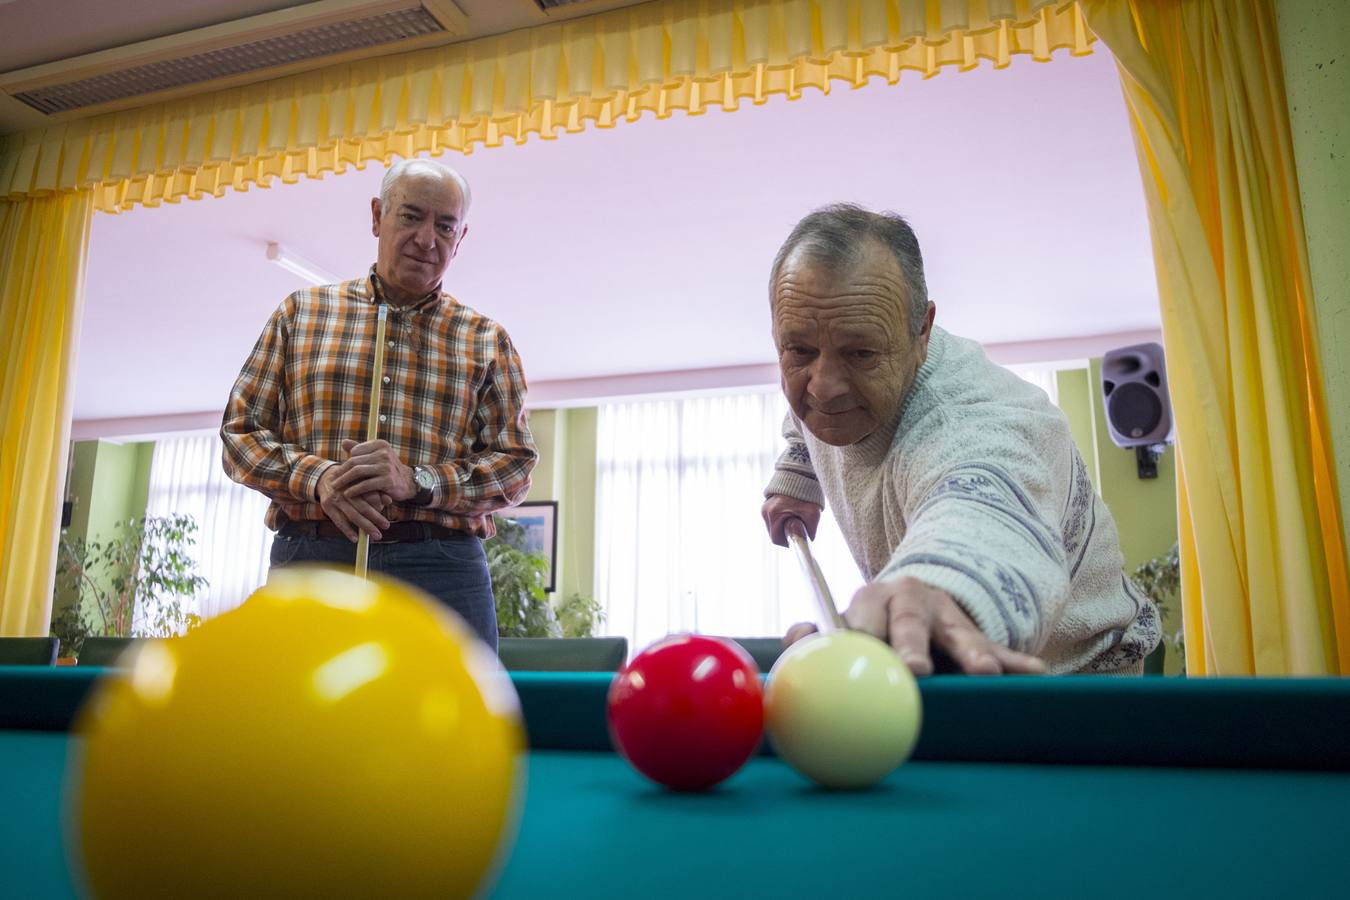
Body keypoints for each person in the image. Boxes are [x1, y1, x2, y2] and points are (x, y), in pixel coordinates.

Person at [761, 204, 1160, 675]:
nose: (823, 386)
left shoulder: (971, 420)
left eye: (860, 353)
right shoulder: (833, 365)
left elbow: (987, 505)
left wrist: (940, 584)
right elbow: (805, 417)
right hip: (962, 662)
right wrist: (798, 473)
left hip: (1083, 671)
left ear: (922, 332)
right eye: (799, 349)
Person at [221, 158, 537, 650]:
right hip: (312, 555)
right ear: (376, 216)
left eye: (445, 225)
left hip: (442, 569)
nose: (427, 239)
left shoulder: (486, 339)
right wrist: (320, 479)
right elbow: (241, 435)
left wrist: (417, 482)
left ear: (461, 237)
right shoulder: (298, 314)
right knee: (295, 722)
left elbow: (514, 466)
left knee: (449, 724)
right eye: (411, 216)